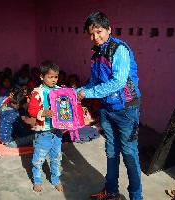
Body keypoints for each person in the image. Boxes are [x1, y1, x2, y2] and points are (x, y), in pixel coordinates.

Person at [77, 11, 142, 200]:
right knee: (111, 151)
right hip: (107, 109)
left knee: (129, 155)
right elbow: (94, 82)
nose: (95, 37)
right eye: (91, 33)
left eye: (99, 32)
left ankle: (136, 197)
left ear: (109, 30)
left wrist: (87, 93)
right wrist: (73, 93)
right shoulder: (97, 53)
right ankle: (111, 191)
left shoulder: (119, 49)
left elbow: (118, 82)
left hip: (126, 110)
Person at [27, 60, 63, 193]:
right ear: (42, 77)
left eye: (56, 77)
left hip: (57, 131)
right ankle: (37, 180)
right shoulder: (37, 93)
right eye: (50, 77)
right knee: (39, 159)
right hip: (44, 132)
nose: (54, 80)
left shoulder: (60, 91)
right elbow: (31, 110)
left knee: (56, 157)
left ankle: (56, 180)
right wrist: (43, 112)